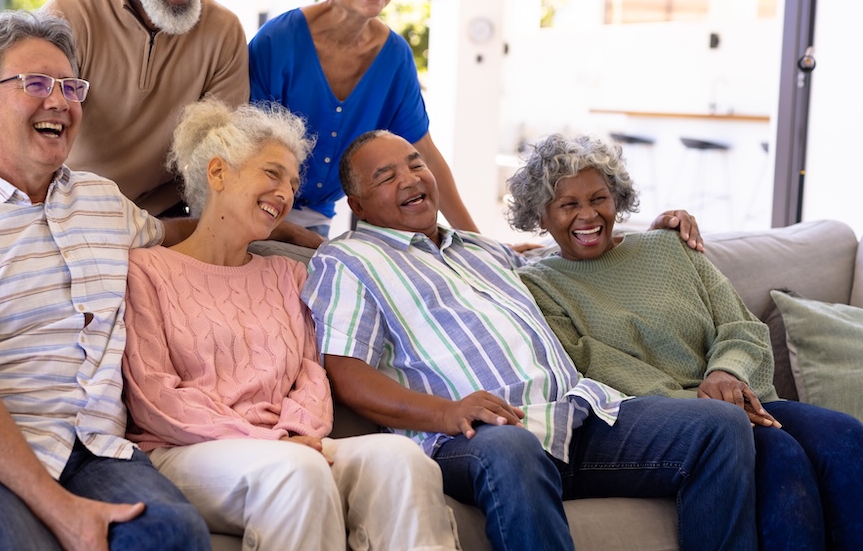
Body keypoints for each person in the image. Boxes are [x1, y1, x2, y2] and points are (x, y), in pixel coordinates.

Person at [301, 129, 758, 551]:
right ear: (357, 206)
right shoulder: (347, 260)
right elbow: (348, 375)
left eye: (416, 164)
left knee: (719, 425)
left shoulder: (482, 249)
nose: (410, 178)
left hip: (578, 416)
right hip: (473, 437)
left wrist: (653, 236)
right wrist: (448, 411)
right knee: (511, 444)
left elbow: (575, 252)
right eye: (386, 176)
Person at [0, 10, 209, 551]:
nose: (58, 100)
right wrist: (60, 511)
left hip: (89, 444)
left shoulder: (103, 201)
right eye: (35, 83)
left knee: (173, 535)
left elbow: (178, 236)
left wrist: (270, 222)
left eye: (69, 86)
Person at [121, 100, 459, 551]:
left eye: (294, 182)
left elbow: (310, 373)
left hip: (288, 447)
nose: (286, 193)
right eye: (272, 174)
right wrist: (272, 441)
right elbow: (153, 396)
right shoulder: (144, 271)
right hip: (183, 451)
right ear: (218, 174)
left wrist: (301, 433)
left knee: (401, 458)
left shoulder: (287, 275)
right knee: (297, 472)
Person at [512, 133, 863, 551]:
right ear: (541, 216)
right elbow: (593, 367)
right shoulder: (538, 285)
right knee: (780, 457)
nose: (588, 215)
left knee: (846, 438)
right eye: (568, 205)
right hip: (683, 421)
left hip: (746, 399)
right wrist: (704, 404)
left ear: (617, 199)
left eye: (599, 198)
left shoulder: (670, 246)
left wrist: (724, 373)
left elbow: (742, 326)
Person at [249, 0, 477, 246]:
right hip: (256, 206)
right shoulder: (277, 41)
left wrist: (479, 244)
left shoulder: (395, 56)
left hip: (316, 220)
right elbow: (247, 147)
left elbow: (423, 151)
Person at [42, 0, 250, 220]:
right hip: (65, 207)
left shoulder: (224, 31)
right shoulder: (68, 16)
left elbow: (218, 153)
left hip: (160, 217)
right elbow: (35, 127)